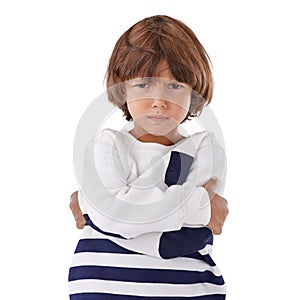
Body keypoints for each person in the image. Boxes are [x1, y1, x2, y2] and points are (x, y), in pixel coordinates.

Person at [68, 15, 229, 299]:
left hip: (188, 289)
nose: (159, 100)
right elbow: (116, 214)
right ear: (123, 88)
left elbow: (188, 237)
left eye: (175, 85)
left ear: (193, 92)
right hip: (102, 287)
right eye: (144, 85)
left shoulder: (204, 148)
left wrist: (104, 211)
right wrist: (200, 206)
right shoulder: (104, 145)